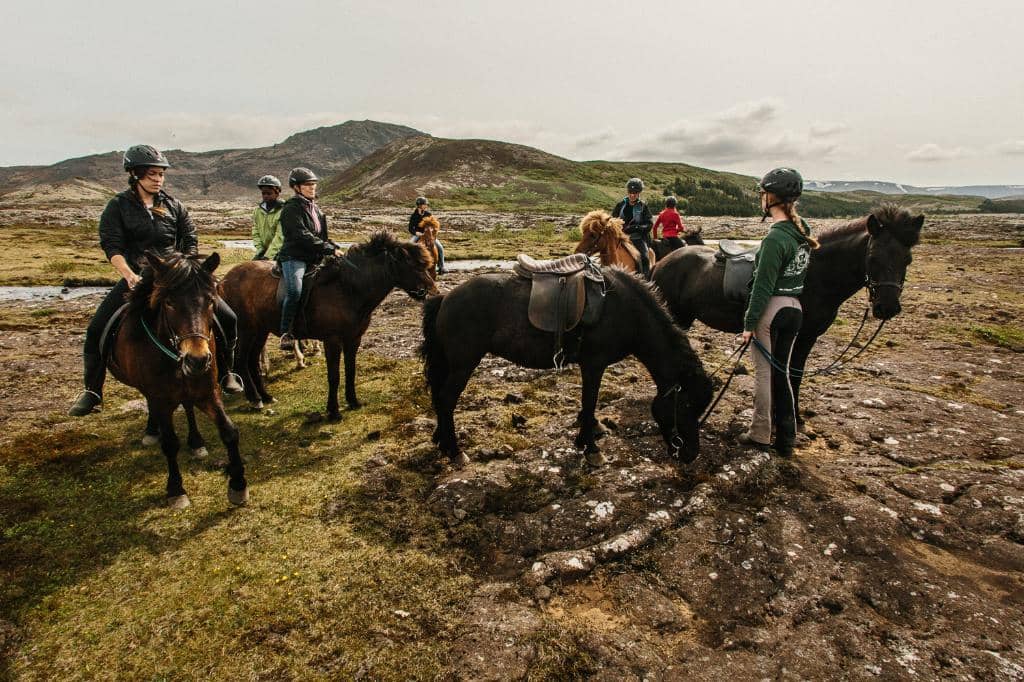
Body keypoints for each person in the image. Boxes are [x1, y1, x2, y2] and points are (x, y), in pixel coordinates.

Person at [68, 145, 243, 416]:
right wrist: (128, 274)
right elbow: (112, 246)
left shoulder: (175, 206)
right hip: (138, 278)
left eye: (161, 174)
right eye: (152, 174)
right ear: (135, 174)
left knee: (228, 318)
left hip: (176, 279)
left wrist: (185, 271)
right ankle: (92, 390)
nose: (158, 179)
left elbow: (190, 241)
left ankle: (227, 373)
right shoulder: (118, 206)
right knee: (96, 328)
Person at [738, 167, 818, 457]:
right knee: (781, 372)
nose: (761, 198)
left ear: (771, 197)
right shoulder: (802, 230)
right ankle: (786, 435)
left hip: (771, 310)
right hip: (794, 309)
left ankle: (760, 433)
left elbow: (762, 287)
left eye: (763, 193)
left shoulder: (774, 239)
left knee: (763, 373)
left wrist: (748, 324)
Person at [277, 167, 343, 351]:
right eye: (307, 185)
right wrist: (327, 248)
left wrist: (335, 247)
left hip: (314, 257)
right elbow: (301, 235)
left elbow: (322, 237)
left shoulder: (317, 210)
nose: (312, 187)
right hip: (294, 257)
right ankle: (286, 332)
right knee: (295, 290)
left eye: (313, 184)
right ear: (296, 187)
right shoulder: (291, 208)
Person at [611, 178, 653, 279]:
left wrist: (636, 227)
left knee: (645, 258)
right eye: (630, 192)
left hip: (637, 238)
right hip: (621, 237)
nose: (632, 195)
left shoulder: (643, 206)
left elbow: (649, 224)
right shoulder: (620, 205)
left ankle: (646, 281)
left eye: (635, 193)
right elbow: (612, 220)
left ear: (639, 193)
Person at [408, 196, 446, 274]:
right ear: (419, 205)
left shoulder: (428, 214)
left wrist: (433, 231)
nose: (426, 206)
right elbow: (410, 228)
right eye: (425, 204)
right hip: (419, 235)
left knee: (440, 247)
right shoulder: (414, 216)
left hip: (429, 235)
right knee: (409, 246)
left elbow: (434, 224)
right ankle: (409, 266)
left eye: (426, 204)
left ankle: (442, 267)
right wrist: (416, 233)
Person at [252, 175, 284, 260]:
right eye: (263, 193)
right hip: (263, 251)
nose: (265, 196)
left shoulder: (284, 211)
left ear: (277, 193)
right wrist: (260, 249)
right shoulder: (257, 211)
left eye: (269, 193)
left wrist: (268, 255)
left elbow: (280, 236)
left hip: (281, 252)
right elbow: (255, 231)